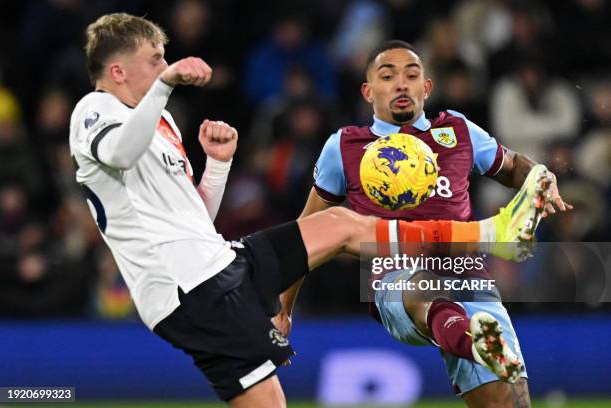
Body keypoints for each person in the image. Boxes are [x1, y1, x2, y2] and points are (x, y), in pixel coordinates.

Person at [69, 17, 549, 407]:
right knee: (346, 234)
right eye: (155, 60)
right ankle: (492, 234)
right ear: (118, 72)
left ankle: (490, 242)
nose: (166, 67)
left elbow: (195, 217)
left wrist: (217, 166)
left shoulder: (161, 122)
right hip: (187, 291)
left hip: (218, 263)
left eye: (165, 61)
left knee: (340, 226)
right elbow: (118, 154)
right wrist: (165, 87)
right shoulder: (94, 110)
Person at [275, 40, 572, 408]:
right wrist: (284, 310)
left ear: (426, 88)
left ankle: (478, 338)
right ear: (368, 91)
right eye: (388, 76)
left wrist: (540, 177)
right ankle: (469, 336)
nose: (401, 84)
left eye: (412, 75)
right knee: (421, 289)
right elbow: (306, 234)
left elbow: (511, 166)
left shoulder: (457, 130)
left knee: (511, 405)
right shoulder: (346, 147)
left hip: (467, 277)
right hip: (396, 279)